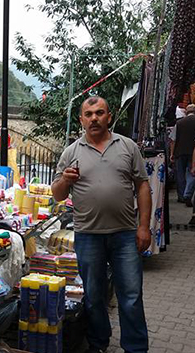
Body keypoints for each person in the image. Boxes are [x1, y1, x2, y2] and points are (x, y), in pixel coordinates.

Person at [53, 96, 152, 353]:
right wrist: (64, 180)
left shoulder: (128, 147)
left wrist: (144, 227)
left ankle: (136, 348)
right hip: (88, 235)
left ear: (109, 116)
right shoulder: (71, 152)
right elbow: (57, 194)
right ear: (81, 120)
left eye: (99, 113)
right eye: (89, 114)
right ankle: (98, 343)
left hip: (125, 234)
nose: (94, 118)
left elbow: (143, 186)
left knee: (130, 296)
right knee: (94, 297)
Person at [170, 104, 195, 206]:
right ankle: (187, 194)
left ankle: (181, 196)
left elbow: (173, 140)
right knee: (192, 173)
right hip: (194, 151)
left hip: (180, 151)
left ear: (186, 112)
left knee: (180, 174)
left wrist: (172, 153)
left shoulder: (179, 123)